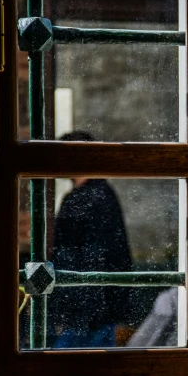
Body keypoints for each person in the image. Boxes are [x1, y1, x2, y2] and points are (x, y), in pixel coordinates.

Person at [47, 131, 134, 348]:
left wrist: (64, 311)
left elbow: (82, 256)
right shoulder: (103, 194)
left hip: (84, 311)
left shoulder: (85, 198)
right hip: (95, 309)